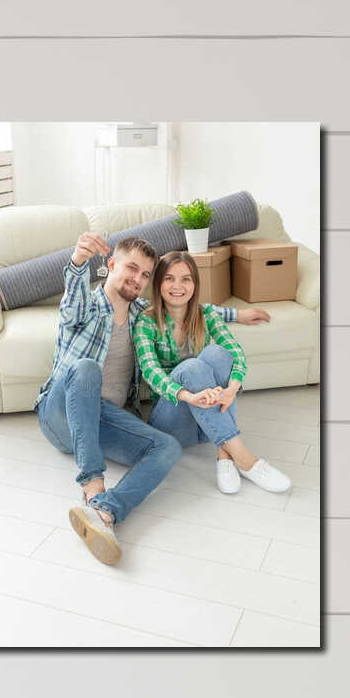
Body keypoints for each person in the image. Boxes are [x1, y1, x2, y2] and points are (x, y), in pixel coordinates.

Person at [33, 232, 183, 566]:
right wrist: (77, 262)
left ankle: (105, 512)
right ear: (111, 264)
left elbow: (185, 312)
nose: (138, 279)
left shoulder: (143, 315)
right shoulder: (86, 304)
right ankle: (93, 486)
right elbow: (70, 303)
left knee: (168, 448)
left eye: (145, 274)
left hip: (104, 422)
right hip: (60, 415)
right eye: (131, 268)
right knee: (86, 369)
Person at [134, 251, 292, 496]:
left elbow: (235, 353)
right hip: (173, 423)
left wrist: (232, 389)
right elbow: (151, 371)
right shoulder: (146, 323)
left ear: (195, 285)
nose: (178, 286)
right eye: (169, 278)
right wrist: (188, 396)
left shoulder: (206, 315)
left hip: (206, 426)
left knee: (218, 353)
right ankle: (246, 459)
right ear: (158, 284)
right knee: (192, 367)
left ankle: (224, 454)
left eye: (186, 279)